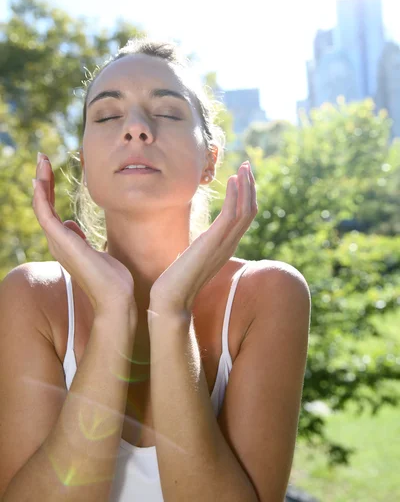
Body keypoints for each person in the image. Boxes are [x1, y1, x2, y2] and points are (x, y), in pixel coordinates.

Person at [0, 38, 311, 502]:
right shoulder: (32, 296)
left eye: (166, 112)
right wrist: (111, 313)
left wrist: (170, 312)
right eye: (107, 116)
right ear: (84, 163)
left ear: (210, 160)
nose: (136, 129)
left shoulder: (267, 294)